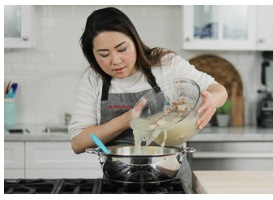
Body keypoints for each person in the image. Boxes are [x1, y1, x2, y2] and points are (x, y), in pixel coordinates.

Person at [69, 7, 228, 154]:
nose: (115, 60)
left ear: (135, 42)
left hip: (170, 172)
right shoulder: (93, 79)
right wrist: (126, 121)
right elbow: (78, 143)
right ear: (93, 55)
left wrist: (212, 100)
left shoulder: (165, 63)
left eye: (122, 49)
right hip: (117, 178)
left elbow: (218, 90)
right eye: (104, 54)